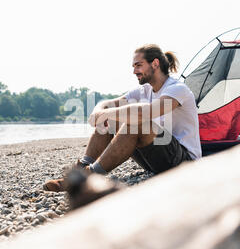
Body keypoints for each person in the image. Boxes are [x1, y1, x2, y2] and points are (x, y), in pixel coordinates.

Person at [44, 44, 201, 192]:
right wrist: (99, 112)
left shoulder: (177, 89)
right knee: (112, 120)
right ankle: (82, 168)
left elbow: (146, 112)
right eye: (133, 66)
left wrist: (108, 113)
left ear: (155, 64)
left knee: (137, 123)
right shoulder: (144, 90)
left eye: (138, 65)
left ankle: (89, 176)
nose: (134, 71)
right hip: (156, 159)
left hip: (184, 162)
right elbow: (108, 104)